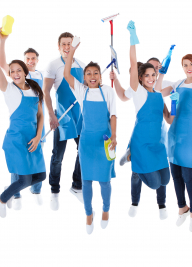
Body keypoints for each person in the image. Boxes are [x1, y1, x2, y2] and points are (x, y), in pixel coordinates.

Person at [0, 21, 46, 218]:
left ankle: (10, 189)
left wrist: (38, 137)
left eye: (19, 70)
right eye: (12, 71)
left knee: (41, 176)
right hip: (16, 140)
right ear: (10, 75)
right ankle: (3, 198)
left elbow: (40, 115)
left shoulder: (35, 89)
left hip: (32, 139)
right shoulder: (9, 90)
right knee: (24, 180)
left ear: (25, 72)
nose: (15, 73)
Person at [155, 53, 192, 232]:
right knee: (176, 175)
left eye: (191, 64)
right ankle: (182, 207)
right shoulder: (178, 84)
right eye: (184, 65)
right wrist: (161, 74)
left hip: (190, 137)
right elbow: (157, 92)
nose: (188, 67)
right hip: (174, 135)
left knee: (188, 176)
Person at [64, 38, 117, 234]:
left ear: (100, 77)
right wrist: (72, 51)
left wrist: (114, 137)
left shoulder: (108, 91)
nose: (92, 76)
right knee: (86, 181)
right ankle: (88, 213)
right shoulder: (81, 91)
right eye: (88, 73)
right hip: (86, 142)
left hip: (105, 142)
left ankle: (106, 209)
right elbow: (66, 73)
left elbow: (113, 115)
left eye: (96, 73)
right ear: (84, 77)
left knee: (104, 180)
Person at [110, 56, 174, 220]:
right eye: (148, 73)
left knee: (164, 179)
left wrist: (175, 100)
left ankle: (162, 204)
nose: (152, 76)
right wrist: (115, 79)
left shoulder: (159, 88)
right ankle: (135, 201)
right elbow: (123, 95)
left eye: (155, 71)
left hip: (158, 139)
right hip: (142, 137)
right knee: (143, 175)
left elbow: (168, 115)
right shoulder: (138, 89)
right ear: (141, 75)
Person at [0, 27, 45, 208]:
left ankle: (24, 189)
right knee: (22, 170)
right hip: (19, 132)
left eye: (33, 58)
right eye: (28, 58)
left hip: (34, 127)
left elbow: (41, 106)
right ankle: (13, 193)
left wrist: (39, 133)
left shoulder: (37, 79)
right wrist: (2, 40)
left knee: (37, 171)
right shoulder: (14, 82)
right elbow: (1, 63)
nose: (31, 61)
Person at [43, 32, 86, 210]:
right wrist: (51, 116)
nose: (67, 47)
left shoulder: (82, 65)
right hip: (61, 116)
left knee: (83, 150)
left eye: (70, 44)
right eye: (64, 44)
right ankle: (54, 190)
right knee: (57, 157)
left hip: (80, 116)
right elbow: (46, 91)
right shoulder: (53, 65)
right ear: (59, 47)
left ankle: (77, 186)